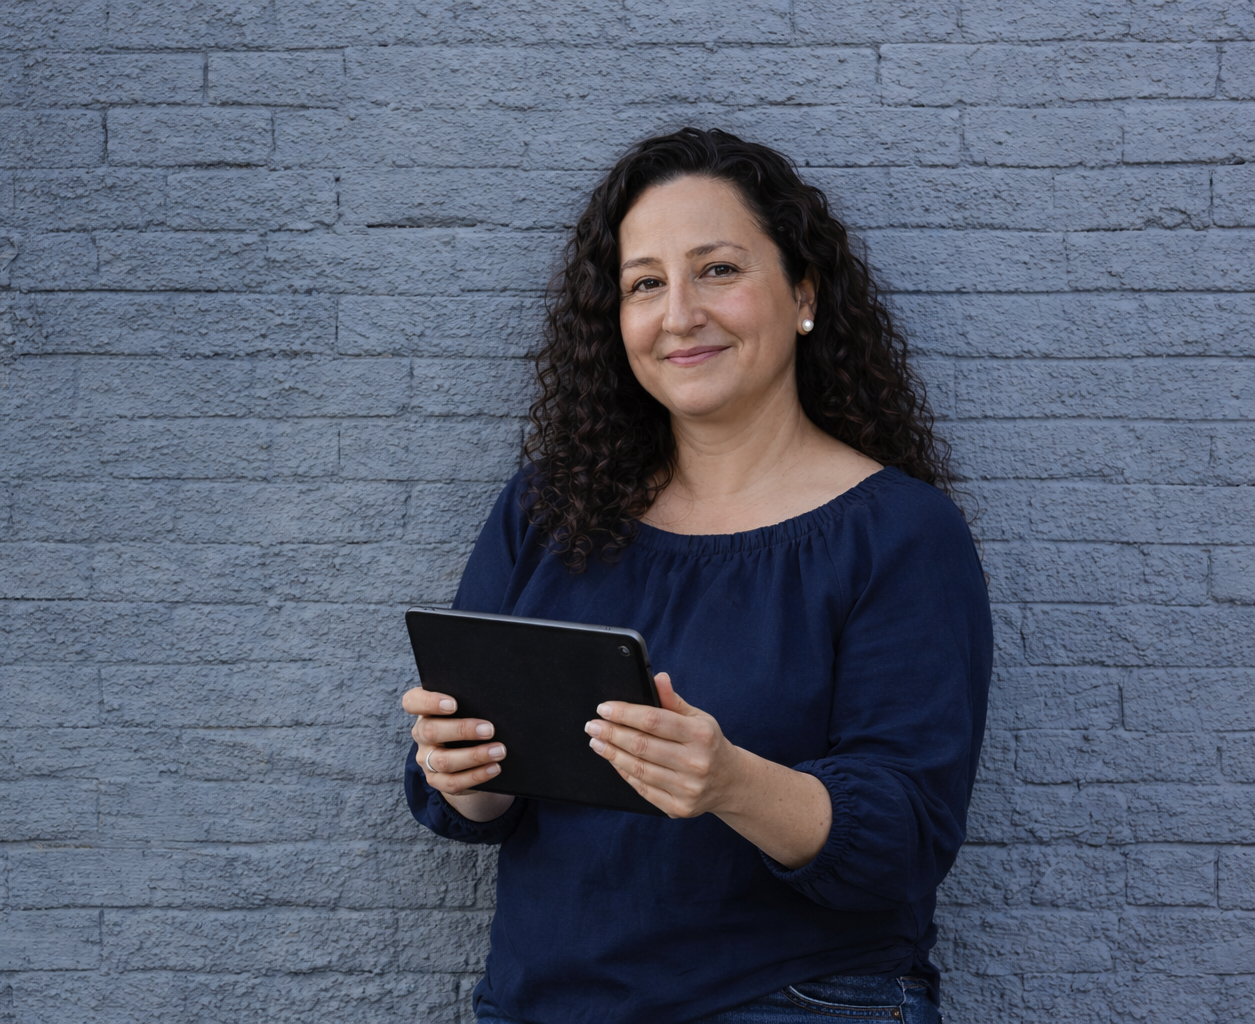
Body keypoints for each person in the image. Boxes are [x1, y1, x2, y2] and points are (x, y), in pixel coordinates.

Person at [401, 127, 991, 1024]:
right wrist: (462, 772)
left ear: (803, 292)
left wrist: (730, 784)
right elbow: (470, 803)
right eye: (645, 284)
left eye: (717, 270)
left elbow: (905, 840)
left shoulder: (902, 534)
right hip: (543, 1002)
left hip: (794, 1001)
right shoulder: (547, 510)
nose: (679, 313)